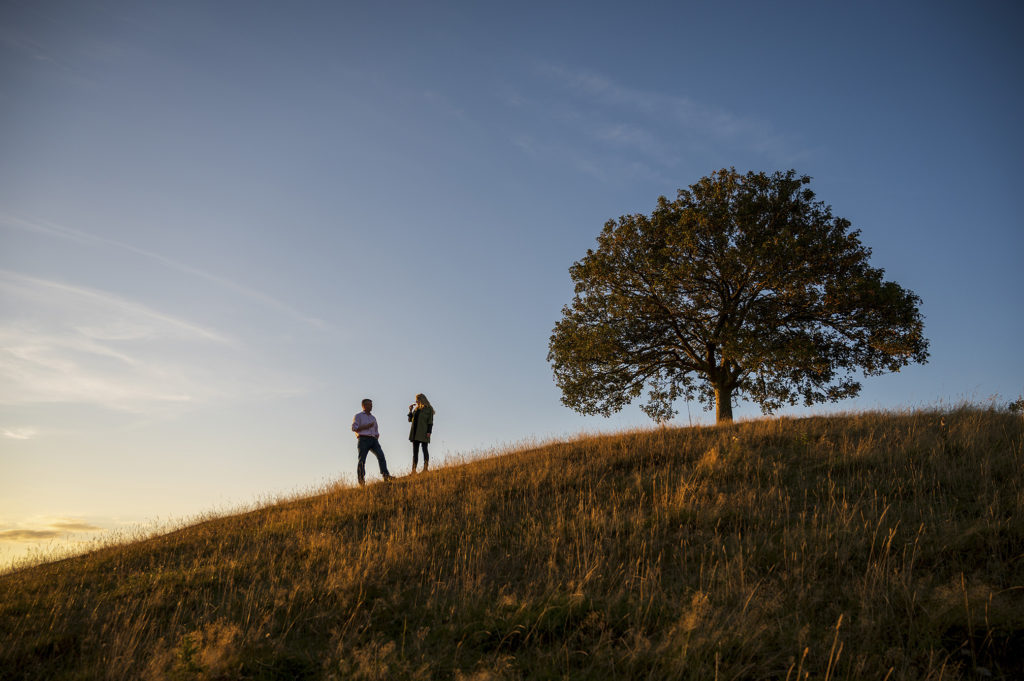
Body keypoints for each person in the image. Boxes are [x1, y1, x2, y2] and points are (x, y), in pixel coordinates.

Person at [351, 398, 392, 485]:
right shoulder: (358, 416)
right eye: (369, 405)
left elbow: (376, 429)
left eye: (371, 405)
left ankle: (386, 476)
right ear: (364, 406)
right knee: (362, 460)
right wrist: (366, 426)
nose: (372, 406)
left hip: (373, 440)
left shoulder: (373, 418)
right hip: (363, 439)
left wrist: (376, 435)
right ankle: (361, 482)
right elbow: (354, 428)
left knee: (381, 456)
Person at [407, 393, 435, 473]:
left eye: (417, 399)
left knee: (424, 449)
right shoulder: (416, 409)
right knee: (415, 452)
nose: (416, 401)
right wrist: (410, 410)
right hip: (415, 432)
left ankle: (425, 469)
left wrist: (429, 432)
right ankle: (413, 470)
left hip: (423, 432)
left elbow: (430, 421)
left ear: (421, 399)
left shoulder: (428, 409)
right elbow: (409, 420)